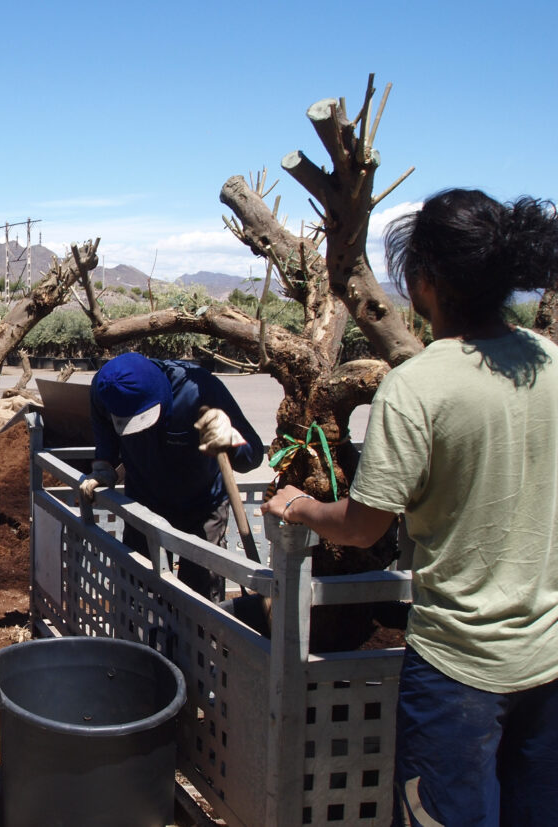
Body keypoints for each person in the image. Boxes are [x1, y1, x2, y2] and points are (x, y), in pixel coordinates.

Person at [260, 188, 558, 826]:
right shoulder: (550, 361)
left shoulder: (417, 386)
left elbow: (364, 528)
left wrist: (299, 506)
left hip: (459, 668)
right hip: (548, 658)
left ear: (424, 281)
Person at [80, 352, 264, 601]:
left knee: (199, 603)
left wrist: (231, 440)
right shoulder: (105, 390)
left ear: (162, 392)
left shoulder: (199, 389)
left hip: (202, 507)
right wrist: (103, 467)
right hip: (143, 505)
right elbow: (105, 434)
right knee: (137, 594)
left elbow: (252, 458)